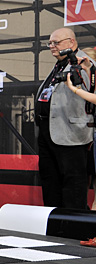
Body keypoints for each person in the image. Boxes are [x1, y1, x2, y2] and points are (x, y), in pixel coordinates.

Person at [35, 27, 92, 209]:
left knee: (73, 184)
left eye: (56, 42)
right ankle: (54, 225)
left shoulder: (84, 62)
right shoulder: (59, 64)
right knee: (50, 181)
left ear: (71, 42)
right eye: (50, 43)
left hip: (71, 133)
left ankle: (73, 230)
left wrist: (85, 70)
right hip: (49, 131)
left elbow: (87, 88)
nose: (52, 46)